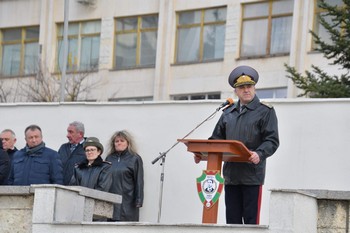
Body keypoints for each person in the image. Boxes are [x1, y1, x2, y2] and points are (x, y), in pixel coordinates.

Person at [195, 65, 279, 225]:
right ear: (236, 91)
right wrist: (201, 153)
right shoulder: (228, 113)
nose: (246, 90)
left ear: (254, 88)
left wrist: (259, 154)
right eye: (241, 87)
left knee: (250, 222)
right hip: (231, 176)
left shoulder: (265, 111)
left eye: (249, 86)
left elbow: (272, 140)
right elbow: (216, 140)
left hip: (251, 175)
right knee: (232, 221)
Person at [105, 130, 144, 222]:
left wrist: (138, 200)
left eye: (122, 141)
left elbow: (139, 181)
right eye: (116, 141)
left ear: (128, 143)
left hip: (128, 202)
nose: (119, 143)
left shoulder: (135, 158)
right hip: (111, 201)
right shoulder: (109, 158)